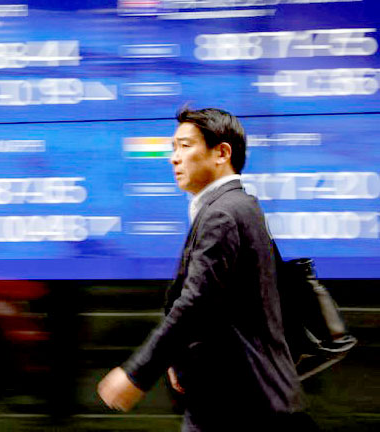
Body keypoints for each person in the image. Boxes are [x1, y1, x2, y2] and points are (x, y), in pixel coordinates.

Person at [98, 108, 314, 432]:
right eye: (173, 148)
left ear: (222, 153)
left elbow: (196, 303)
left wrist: (137, 374)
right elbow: (228, 305)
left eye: (185, 146)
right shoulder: (242, 206)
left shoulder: (222, 215)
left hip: (236, 404)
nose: (174, 158)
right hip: (244, 398)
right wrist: (181, 357)